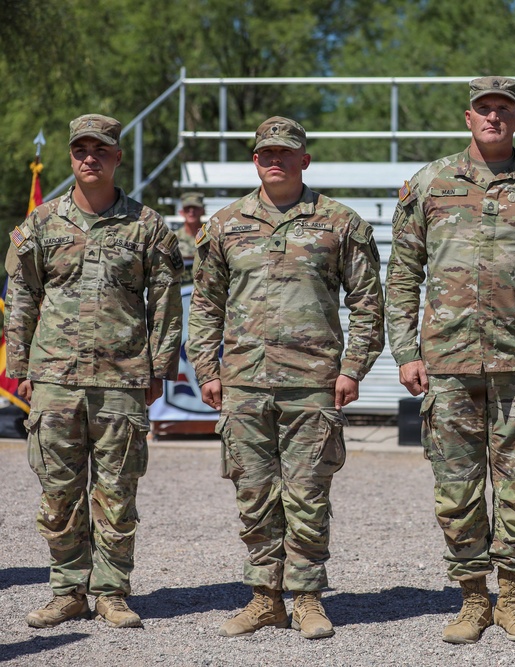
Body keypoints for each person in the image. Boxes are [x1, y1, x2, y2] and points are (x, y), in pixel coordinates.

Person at [385, 76, 515, 644]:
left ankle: (514, 600)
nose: (493, 117)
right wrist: (406, 350)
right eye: (484, 109)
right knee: (457, 488)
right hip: (447, 361)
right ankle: (473, 598)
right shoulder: (429, 182)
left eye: (503, 109)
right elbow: (403, 274)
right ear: (468, 118)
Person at [186, 116, 385, 639]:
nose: (275, 160)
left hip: (313, 380)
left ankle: (309, 598)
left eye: (285, 152)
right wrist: (208, 369)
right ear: (255, 160)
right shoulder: (226, 224)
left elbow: (368, 302)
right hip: (244, 381)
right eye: (265, 153)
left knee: (307, 493)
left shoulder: (340, 223)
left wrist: (353, 367)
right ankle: (264, 597)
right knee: (253, 493)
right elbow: (205, 305)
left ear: (305, 160)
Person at [4, 113, 183, 629]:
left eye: (100, 150)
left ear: (117, 157)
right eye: (81, 149)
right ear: (70, 156)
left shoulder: (146, 227)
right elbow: (22, 298)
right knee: (57, 493)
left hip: (121, 379)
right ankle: (67, 591)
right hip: (54, 378)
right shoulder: (41, 223)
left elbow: (166, 303)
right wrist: (22, 368)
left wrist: (159, 368)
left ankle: (111, 591)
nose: (90, 158)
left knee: (116, 493)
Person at [175, 191, 205, 283]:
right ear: (181, 212)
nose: (191, 212)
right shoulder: (173, 238)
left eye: (195, 208)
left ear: (203, 211)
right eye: (187, 209)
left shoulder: (211, 236)